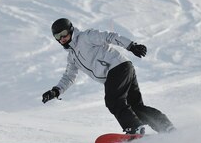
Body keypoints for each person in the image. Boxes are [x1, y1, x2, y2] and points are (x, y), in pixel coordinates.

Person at [42, 18, 175, 135]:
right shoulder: (72, 57)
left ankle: (134, 129)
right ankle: (166, 128)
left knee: (113, 101)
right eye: (58, 36)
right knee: (135, 107)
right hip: (122, 69)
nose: (62, 38)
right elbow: (69, 77)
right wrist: (55, 91)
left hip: (117, 67)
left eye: (63, 33)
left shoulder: (86, 37)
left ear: (71, 30)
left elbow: (109, 37)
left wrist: (131, 46)